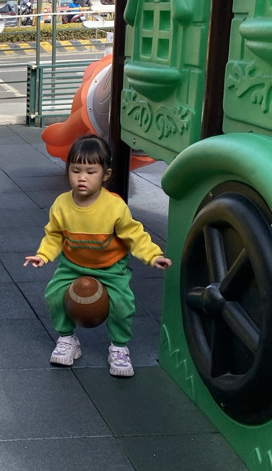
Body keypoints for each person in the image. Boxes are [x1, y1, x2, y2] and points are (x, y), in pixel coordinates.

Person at [24, 134, 171, 377]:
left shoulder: (114, 206)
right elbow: (54, 236)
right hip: (73, 265)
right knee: (53, 294)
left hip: (110, 267)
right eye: (75, 170)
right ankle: (67, 339)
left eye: (91, 172)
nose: (82, 177)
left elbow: (134, 235)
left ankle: (119, 347)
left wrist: (153, 255)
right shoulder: (61, 204)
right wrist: (43, 255)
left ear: (106, 174)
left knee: (122, 303)